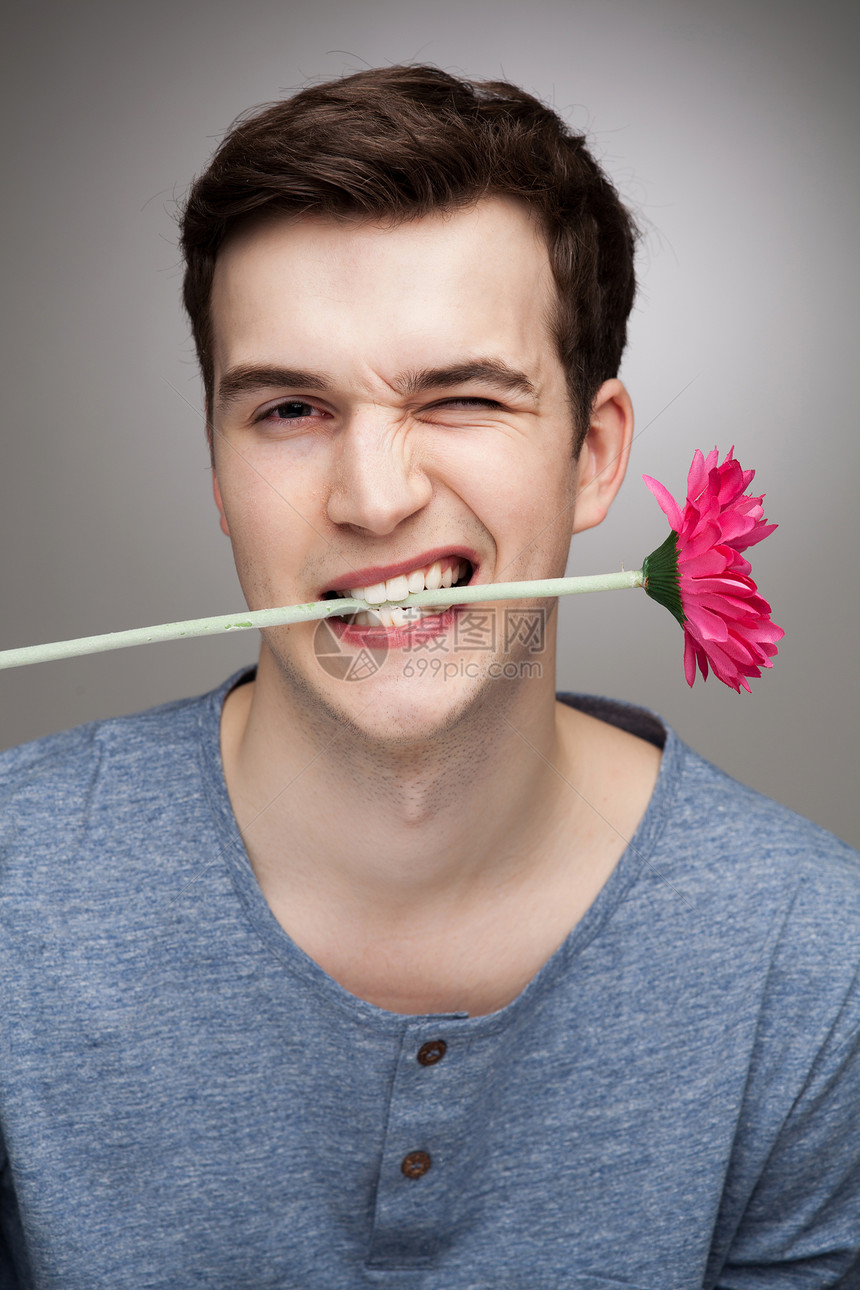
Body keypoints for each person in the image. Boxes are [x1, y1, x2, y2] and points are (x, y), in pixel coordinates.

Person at [1, 65, 858, 1289]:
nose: (374, 497)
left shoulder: (820, 969)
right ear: (215, 466)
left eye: (457, 398)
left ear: (592, 455)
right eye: (291, 409)